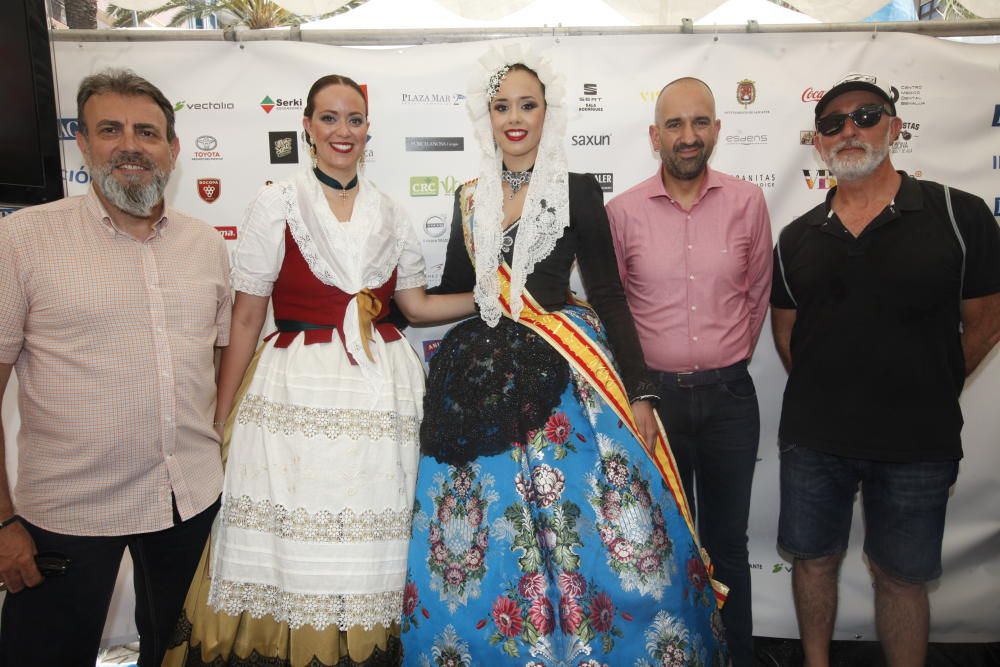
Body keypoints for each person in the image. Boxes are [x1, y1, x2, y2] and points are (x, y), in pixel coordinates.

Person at [401, 47, 728, 666]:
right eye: (502, 107)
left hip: (566, 375)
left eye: (527, 104)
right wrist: (395, 301)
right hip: (479, 380)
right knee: (486, 534)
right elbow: (459, 293)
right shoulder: (468, 196)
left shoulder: (578, 190)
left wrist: (640, 389)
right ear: (487, 116)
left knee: (583, 527)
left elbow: (608, 293)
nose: (514, 118)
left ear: (548, 112)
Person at [163, 74, 474, 667]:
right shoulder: (277, 201)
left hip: (383, 393)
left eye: (354, 119)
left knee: (372, 535)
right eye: (329, 118)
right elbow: (249, 311)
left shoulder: (389, 209)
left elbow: (415, 307)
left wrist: (495, 296)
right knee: (290, 539)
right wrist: (222, 415)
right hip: (294, 392)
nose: (342, 130)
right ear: (306, 126)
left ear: (368, 130)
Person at [0, 69, 230, 667]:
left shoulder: (206, 245)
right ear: (83, 142)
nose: (131, 144)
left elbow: (214, 360)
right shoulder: (22, 241)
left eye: (148, 132)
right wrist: (1, 523)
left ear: (173, 150)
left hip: (191, 502)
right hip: (68, 511)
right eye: (111, 129)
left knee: (183, 658)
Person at [771, 73, 1000, 667]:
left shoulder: (960, 214)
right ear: (818, 143)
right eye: (832, 123)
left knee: (902, 578)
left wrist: (933, 383)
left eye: (866, 116)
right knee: (813, 562)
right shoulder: (796, 237)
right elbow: (787, 336)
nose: (849, 129)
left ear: (895, 128)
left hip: (917, 441)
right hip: (815, 439)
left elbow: (986, 320)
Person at [606, 77, 772, 667]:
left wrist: (724, 359)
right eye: (674, 124)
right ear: (655, 136)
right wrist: (645, 388)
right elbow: (614, 310)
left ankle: (737, 658)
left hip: (730, 398)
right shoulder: (621, 212)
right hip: (655, 405)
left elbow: (756, 298)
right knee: (666, 545)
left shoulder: (748, 202)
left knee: (728, 545)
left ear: (718, 131)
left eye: (699, 122)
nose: (688, 135)